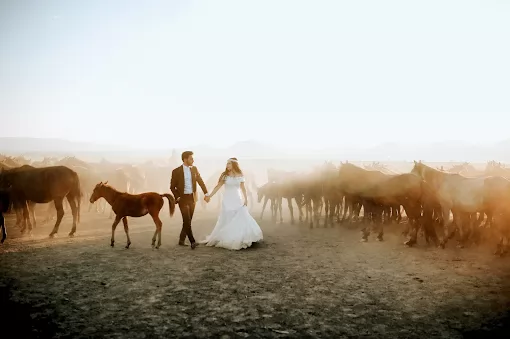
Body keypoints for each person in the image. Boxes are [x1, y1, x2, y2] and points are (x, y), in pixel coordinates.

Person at [201, 158, 263, 250]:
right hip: (227, 199)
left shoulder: (240, 175)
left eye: (229, 164)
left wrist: (246, 199)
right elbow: (218, 186)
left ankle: (240, 236)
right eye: (227, 164)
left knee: (240, 216)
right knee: (227, 217)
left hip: (237, 199)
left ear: (234, 165)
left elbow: (243, 188)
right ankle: (227, 236)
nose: (227, 165)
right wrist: (209, 196)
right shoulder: (225, 175)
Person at [170, 151, 209, 250]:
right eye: (191, 158)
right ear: (185, 159)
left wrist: (206, 193)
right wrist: (177, 197)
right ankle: (192, 241)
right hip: (182, 199)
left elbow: (200, 181)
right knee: (186, 220)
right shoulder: (176, 171)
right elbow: (172, 187)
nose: (193, 160)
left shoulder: (194, 169)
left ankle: (181, 240)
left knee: (188, 221)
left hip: (192, 198)